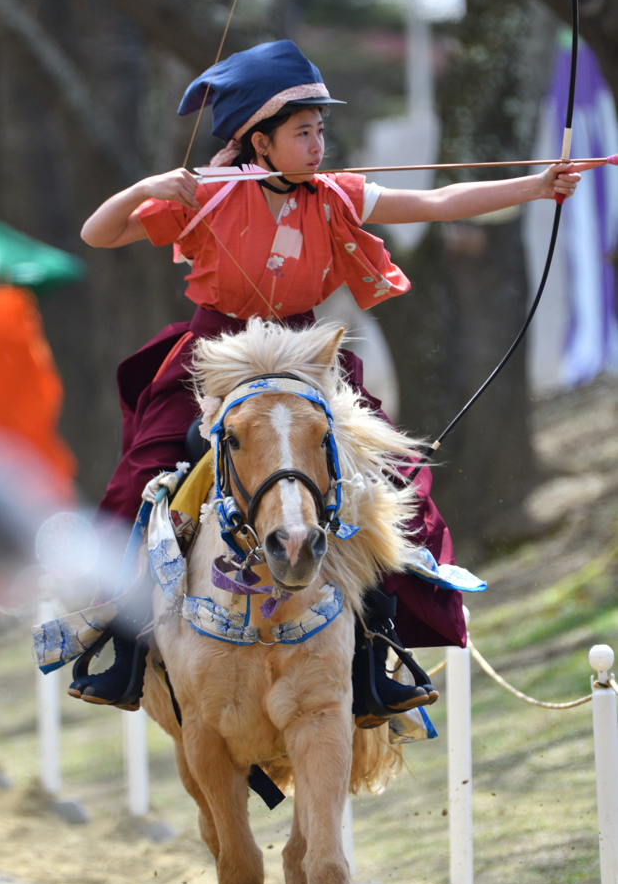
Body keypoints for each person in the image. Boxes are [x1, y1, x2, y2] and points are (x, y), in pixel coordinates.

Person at [74, 39, 582, 721]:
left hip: (308, 355)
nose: (317, 145)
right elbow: (96, 235)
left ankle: (377, 652)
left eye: (320, 131)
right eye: (301, 133)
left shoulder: (335, 196)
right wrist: (143, 190)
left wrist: (535, 186)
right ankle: (124, 644)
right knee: (144, 473)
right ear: (257, 140)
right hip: (214, 353)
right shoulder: (205, 192)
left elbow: (437, 201)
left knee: (384, 483)